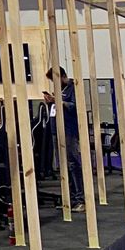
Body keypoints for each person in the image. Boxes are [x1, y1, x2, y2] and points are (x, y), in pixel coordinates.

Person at [47, 67, 86, 212]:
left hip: (69, 131)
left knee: (72, 164)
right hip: (57, 131)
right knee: (63, 166)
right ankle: (69, 199)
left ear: (63, 76)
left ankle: (79, 199)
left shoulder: (73, 88)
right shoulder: (60, 90)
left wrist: (60, 102)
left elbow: (75, 107)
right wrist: (51, 102)